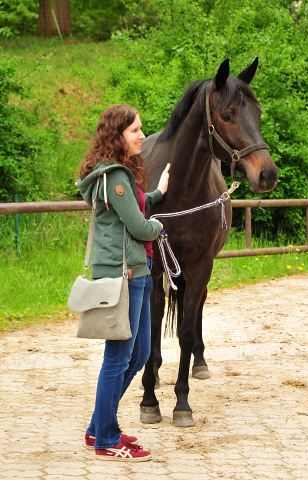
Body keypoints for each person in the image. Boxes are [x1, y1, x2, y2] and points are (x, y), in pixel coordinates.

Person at [76, 104, 170, 462]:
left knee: (141, 353)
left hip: (137, 273)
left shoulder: (119, 177)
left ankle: (97, 427)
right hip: (123, 275)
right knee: (117, 359)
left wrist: (158, 193)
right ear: (117, 135)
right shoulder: (114, 176)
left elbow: (134, 208)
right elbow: (140, 226)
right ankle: (107, 439)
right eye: (135, 131)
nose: (142, 136)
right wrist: (159, 227)